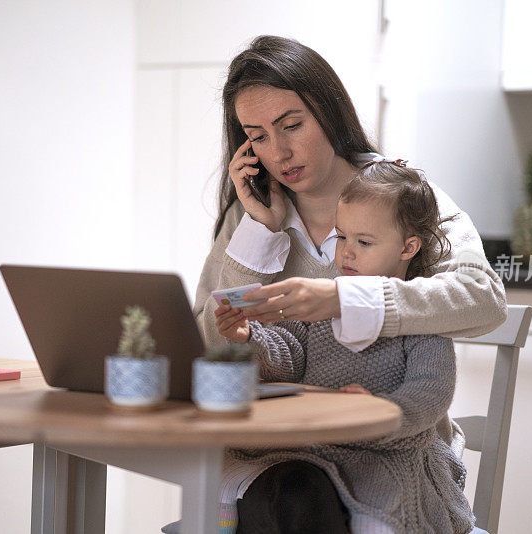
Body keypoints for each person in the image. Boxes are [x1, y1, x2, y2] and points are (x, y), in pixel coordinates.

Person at [191, 35, 504, 533]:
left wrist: (345, 297)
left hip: (389, 452)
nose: (280, 152)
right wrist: (258, 236)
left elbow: (483, 298)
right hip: (280, 453)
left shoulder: (398, 192)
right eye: (259, 136)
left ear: (329, 112)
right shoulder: (247, 217)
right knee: (281, 495)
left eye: (292, 125)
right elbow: (208, 348)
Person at [213, 160, 473, 533]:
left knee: (373, 517)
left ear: (408, 247)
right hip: (315, 450)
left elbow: (430, 394)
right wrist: (248, 337)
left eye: (364, 242)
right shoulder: (326, 299)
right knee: (280, 489)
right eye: (342, 237)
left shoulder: (419, 319)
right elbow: (291, 353)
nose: (346, 253)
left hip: (389, 454)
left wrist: (380, 412)